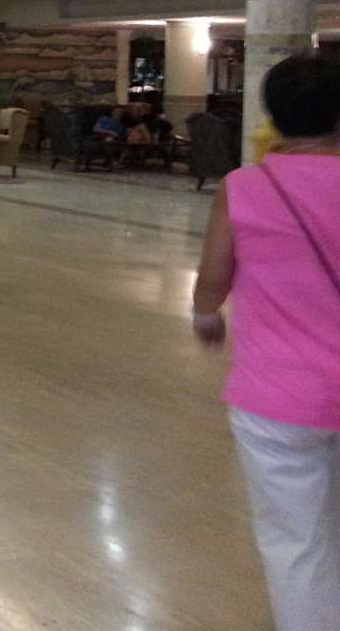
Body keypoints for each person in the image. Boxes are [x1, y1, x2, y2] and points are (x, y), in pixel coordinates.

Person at [192, 51, 340, 631]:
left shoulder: (243, 187)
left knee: (295, 541)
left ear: (273, 116)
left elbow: (213, 280)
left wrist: (206, 316)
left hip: (277, 397)